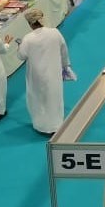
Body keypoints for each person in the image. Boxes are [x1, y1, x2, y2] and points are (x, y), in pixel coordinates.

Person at [16, 8, 71, 136]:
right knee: (54, 97)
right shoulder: (55, 33)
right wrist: (65, 66)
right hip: (53, 71)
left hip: (36, 75)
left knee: (38, 99)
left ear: (30, 23)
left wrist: (19, 46)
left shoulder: (28, 39)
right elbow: (64, 50)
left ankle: (41, 125)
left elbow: (21, 56)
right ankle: (56, 125)